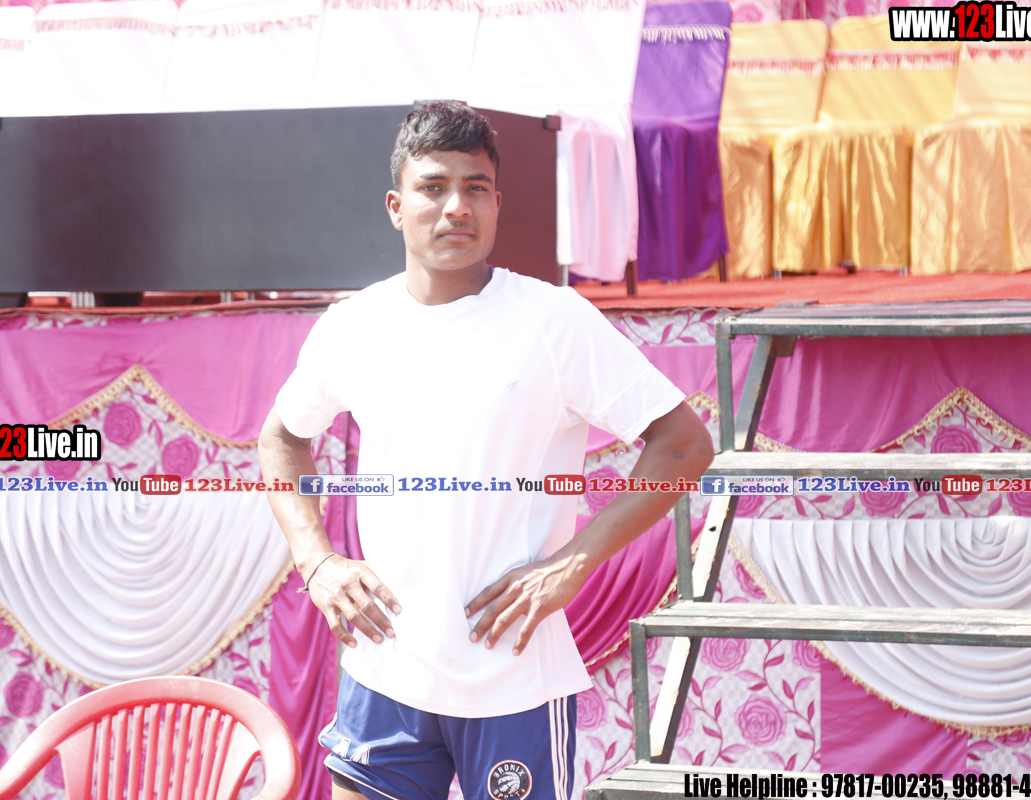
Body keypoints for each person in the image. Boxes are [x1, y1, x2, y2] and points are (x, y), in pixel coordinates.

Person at [258, 100, 714, 800]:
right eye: (433, 187)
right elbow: (283, 438)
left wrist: (573, 562)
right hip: (386, 669)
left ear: (497, 205)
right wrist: (316, 560)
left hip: (513, 676)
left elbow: (683, 445)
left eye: (475, 188)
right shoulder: (354, 325)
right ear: (395, 207)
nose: (456, 208)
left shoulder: (553, 321)